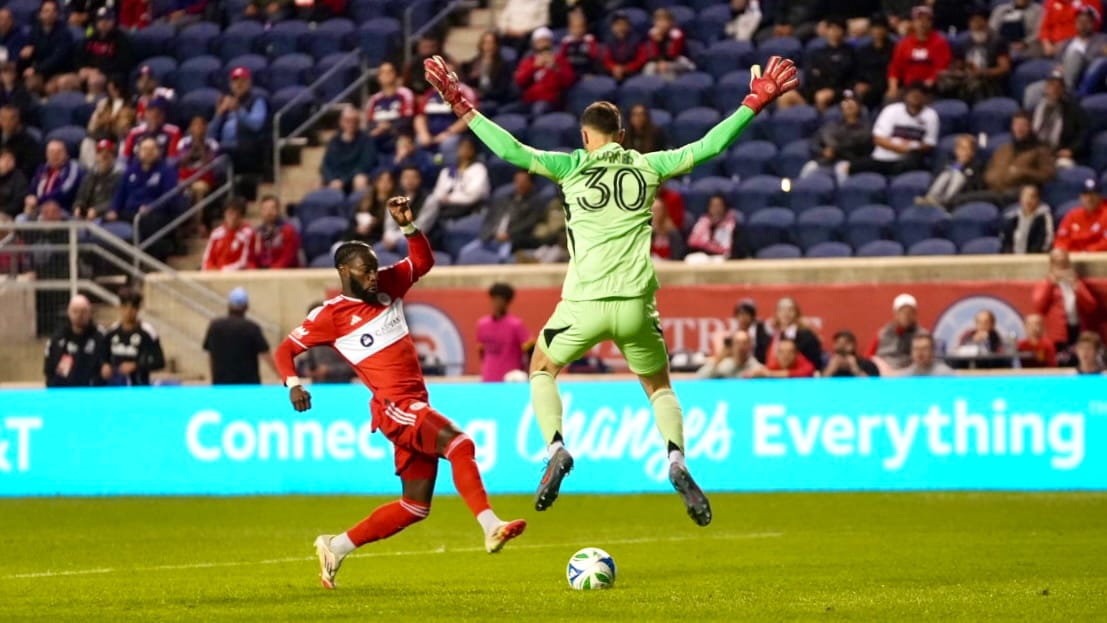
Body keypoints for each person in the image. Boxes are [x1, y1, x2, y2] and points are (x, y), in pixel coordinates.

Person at [424, 52, 800, 525]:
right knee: (658, 386)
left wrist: (462, 106)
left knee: (542, 368)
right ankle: (676, 460)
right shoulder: (648, 166)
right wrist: (754, 102)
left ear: (585, 137)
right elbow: (709, 146)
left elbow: (512, 151)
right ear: (622, 136)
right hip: (636, 305)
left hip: (583, 304)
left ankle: (556, 448)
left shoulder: (570, 167)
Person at [274, 197, 526, 589]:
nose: (374, 276)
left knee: (415, 506)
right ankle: (491, 525)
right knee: (460, 444)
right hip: (395, 406)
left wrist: (409, 227)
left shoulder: (389, 283)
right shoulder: (330, 316)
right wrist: (293, 384)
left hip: (414, 404)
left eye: (375, 268)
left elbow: (422, 262)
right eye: (365, 270)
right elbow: (285, 350)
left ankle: (335, 546)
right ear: (344, 272)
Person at [848, 82, 938, 176]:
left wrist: (912, 150)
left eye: (919, 94)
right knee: (850, 167)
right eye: (913, 94)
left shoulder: (931, 115)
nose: (915, 97)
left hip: (910, 159)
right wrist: (902, 149)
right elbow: (878, 139)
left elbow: (929, 144)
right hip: (882, 158)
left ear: (926, 98)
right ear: (905, 95)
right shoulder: (891, 110)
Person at [465, 170, 548, 259]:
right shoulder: (505, 199)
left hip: (512, 240)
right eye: (517, 181)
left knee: (500, 259)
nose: (519, 184)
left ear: (531, 183)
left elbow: (528, 223)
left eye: (523, 181)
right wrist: (488, 234)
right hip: (490, 238)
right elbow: (489, 219)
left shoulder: (536, 202)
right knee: (466, 253)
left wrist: (509, 234)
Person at [937, 6, 1010, 104]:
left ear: (986, 22)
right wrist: (958, 71)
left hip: (988, 79)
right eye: (973, 21)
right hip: (968, 76)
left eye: (979, 21)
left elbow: (1004, 68)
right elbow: (959, 65)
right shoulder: (964, 42)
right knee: (944, 80)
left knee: (975, 84)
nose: (976, 25)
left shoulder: (997, 41)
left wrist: (982, 72)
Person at [1032, 248, 1100, 351]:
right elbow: (1038, 307)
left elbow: (1091, 306)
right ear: (1052, 265)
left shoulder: (1076, 282)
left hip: (1077, 329)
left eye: (1064, 263)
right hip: (1058, 333)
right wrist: (1050, 283)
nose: (1061, 268)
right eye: (1058, 264)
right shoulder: (1046, 283)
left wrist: (1076, 286)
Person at [203, 287, 276, 384]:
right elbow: (266, 356)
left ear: (229, 306)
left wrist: (213, 380)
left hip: (222, 385)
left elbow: (210, 355)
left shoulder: (215, 326)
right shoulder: (251, 328)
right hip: (248, 386)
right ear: (246, 307)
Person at [799, 91, 872, 182]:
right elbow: (815, 141)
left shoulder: (866, 126)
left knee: (841, 170)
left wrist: (833, 149)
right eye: (845, 103)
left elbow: (858, 143)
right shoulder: (833, 125)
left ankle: (845, 190)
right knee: (809, 167)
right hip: (827, 160)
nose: (848, 105)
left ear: (859, 106)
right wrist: (823, 151)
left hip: (849, 160)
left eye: (852, 102)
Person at [209, 66, 268, 175]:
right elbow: (210, 134)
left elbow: (256, 125)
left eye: (243, 81)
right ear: (230, 85)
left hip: (246, 149)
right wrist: (218, 114)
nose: (239, 84)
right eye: (235, 81)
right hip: (224, 147)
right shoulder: (225, 102)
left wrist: (238, 110)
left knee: (221, 158)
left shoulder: (257, 101)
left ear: (249, 83)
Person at [885, 5, 951, 101]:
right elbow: (895, 68)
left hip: (930, 90)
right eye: (919, 20)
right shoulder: (904, 44)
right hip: (908, 88)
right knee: (889, 99)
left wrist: (926, 85)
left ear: (931, 22)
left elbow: (940, 69)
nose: (922, 23)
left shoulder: (940, 43)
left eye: (926, 20)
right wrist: (893, 87)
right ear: (913, 22)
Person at [102, 287, 165, 386]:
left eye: (133, 307)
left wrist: (136, 365)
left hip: (138, 386)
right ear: (119, 307)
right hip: (116, 386)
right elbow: (103, 356)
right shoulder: (112, 331)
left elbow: (159, 361)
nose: (129, 311)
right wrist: (105, 365)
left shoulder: (147, 332)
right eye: (125, 307)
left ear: (138, 309)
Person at [44, 294, 109, 387]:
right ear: (68, 312)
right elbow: (49, 371)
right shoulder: (57, 339)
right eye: (75, 311)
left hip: (92, 392)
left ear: (89, 313)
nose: (79, 315)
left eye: (83, 311)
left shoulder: (101, 337)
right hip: (65, 392)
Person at [476, 282, 532, 382]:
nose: (497, 303)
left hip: (510, 380)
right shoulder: (482, 324)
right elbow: (481, 351)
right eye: (495, 299)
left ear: (507, 302)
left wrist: (528, 373)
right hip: (488, 379)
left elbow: (530, 350)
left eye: (501, 300)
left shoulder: (516, 325)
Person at [1032, 71, 1088, 169]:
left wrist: (1071, 150)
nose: (1054, 90)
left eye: (1058, 87)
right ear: (1046, 88)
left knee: (1064, 166)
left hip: (1060, 153)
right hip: (1036, 150)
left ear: (1063, 90)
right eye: (1051, 86)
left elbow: (1084, 133)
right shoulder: (1036, 108)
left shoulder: (1074, 110)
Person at [513, 27, 574, 116]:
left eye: (546, 40)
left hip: (549, 101)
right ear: (534, 44)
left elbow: (569, 81)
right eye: (540, 41)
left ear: (551, 42)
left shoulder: (559, 59)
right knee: (506, 112)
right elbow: (519, 81)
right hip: (528, 100)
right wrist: (534, 67)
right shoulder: (529, 61)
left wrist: (555, 67)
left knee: (538, 110)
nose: (543, 44)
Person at [916, 134, 983, 209]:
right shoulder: (949, 162)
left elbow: (976, 186)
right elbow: (937, 176)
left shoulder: (975, 166)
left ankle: (944, 203)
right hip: (942, 190)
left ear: (972, 152)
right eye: (959, 148)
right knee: (946, 174)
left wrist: (962, 168)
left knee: (957, 175)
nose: (961, 152)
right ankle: (930, 197)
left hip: (960, 195)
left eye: (965, 149)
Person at [321, 104, 376, 194]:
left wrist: (343, 180)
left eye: (354, 121)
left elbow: (365, 165)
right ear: (341, 122)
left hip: (353, 177)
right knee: (319, 182)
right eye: (347, 121)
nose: (351, 124)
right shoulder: (334, 140)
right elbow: (326, 164)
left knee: (360, 180)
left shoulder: (366, 139)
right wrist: (331, 179)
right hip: (336, 179)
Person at [365, 62, 415, 154]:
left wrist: (389, 126)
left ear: (396, 75)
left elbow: (407, 119)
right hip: (379, 136)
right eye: (383, 72)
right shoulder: (374, 99)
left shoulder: (405, 93)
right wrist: (378, 128)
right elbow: (370, 123)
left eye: (389, 72)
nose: (386, 75)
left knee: (403, 142)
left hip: (399, 135)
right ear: (378, 78)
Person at [867, 292, 922, 371]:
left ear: (915, 314)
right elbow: (869, 356)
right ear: (895, 314)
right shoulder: (883, 333)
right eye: (902, 312)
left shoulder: (922, 335)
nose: (906, 316)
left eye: (910, 312)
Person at [461, 32, 514, 111]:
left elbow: (502, 90)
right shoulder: (476, 62)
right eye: (485, 42)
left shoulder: (503, 65)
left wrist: (483, 94)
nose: (488, 46)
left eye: (491, 43)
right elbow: (467, 83)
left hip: (493, 100)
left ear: (496, 45)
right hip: (476, 98)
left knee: (475, 108)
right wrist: (473, 77)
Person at [73, 139, 122, 220]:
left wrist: (97, 210)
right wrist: (78, 207)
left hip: (106, 217)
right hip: (87, 216)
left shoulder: (119, 177)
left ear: (113, 156)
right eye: (100, 153)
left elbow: (116, 201)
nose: (103, 156)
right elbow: (80, 197)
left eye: (107, 153)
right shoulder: (89, 176)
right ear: (96, 156)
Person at [1054, 178, 1107, 252]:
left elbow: (1105, 243)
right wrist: (1062, 250)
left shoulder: (1105, 215)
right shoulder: (1072, 215)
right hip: (1073, 256)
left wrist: (1087, 250)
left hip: (1099, 256)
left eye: (1093, 195)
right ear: (1080, 197)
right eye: (1085, 195)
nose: (1089, 199)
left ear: (1100, 197)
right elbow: (1061, 239)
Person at [642, 8, 695, 80]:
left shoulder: (677, 34)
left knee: (667, 69)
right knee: (649, 67)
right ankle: (651, 85)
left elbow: (673, 54)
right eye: (658, 21)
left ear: (671, 22)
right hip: (659, 61)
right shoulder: (652, 34)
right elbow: (652, 55)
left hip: (679, 61)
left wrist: (662, 40)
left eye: (664, 21)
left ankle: (670, 85)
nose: (662, 24)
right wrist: (655, 42)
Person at [202, 198, 254, 271]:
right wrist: (211, 269)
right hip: (215, 273)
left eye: (237, 214)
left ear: (242, 216)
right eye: (230, 213)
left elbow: (244, 262)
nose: (233, 217)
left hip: (236, 275)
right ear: (225, 214)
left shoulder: (248, 234)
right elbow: (207, 258)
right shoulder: (216, 233)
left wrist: (222, 271)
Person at [251, 194, 301, 269]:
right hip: (262, 272)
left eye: (272, 208)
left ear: (278, 210)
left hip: (284, 272)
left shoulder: (288, 230)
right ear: (261, 211)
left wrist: (271, 271)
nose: (269, 212)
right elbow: (251, 257)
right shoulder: (257, 233)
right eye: (265, 209)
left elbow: (287, 257)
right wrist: (253, 271)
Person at [1000, 184, 1053, 253]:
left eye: (1032, 197)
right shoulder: (1012, 218)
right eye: (1025, 196)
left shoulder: (1044, 217)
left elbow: (1047, 241)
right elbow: (1006, 242)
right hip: (1013, 257)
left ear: (1038, 199)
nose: (1028, 200)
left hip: (1035, 256)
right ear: (1020, 199)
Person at [32, 140, 82, 212]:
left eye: (59, 152)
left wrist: (38, 201)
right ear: (46, 154)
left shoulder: (73, 168)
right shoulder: (42, 169)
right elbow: (33, 189)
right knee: (22, 217)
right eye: (51, 152)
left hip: (63, 209)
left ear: (66, 154)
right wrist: (30, 199)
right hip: (40, 208)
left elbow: (64, 191)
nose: (55, 155)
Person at [687, 194, 743, 259]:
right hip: (702, 257)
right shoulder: (702, 223)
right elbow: (692, 244)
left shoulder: (732, 226)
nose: (716, 209)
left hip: (723, 258)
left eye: (719, 206)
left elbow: (734, 250)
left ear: (725, 208)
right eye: (713, 206)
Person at [696, 329, 764, 378]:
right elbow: (701, 376)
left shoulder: (755, 367)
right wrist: (718, 360)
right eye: (737, 343)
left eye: (744, 343)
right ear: (732, 346)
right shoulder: (725, 365)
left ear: (750, 346)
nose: (741, 347)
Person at [603, 12, 646, 83]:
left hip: (633, 73)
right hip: (613, 73)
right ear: (612, 27)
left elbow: (641, 59)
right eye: (617, 24)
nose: (621, 28)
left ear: (629, 26)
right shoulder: (608, 41)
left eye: (623, 24)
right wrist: (614, 68)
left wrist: (626, 69)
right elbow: (606, 59)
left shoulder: (637, 40)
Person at [558, 9, 602, 79]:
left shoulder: (589, 39)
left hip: (587, 74)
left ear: (585, 27)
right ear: (570, 28)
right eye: (575, 27)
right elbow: (561, 59)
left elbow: (595, 56)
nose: (578, 30)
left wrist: (589, 43)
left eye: (581, 26)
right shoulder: (566, 42)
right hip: (571, 75)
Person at [751, 337, 817, 378]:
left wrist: (771, 374)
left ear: (796, 354)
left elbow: (809, 370)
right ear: (776, 354)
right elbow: (762, 372)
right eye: (781, 352)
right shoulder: (774, 364)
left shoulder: (802, 362)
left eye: (789, 352)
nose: (785, 356)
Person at [0, 147, 27, 219]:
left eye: (10, 159)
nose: (7, 162)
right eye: (4, 159)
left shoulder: (19, 177)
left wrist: (3, 212)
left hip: (10, 215)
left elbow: (18, 201)